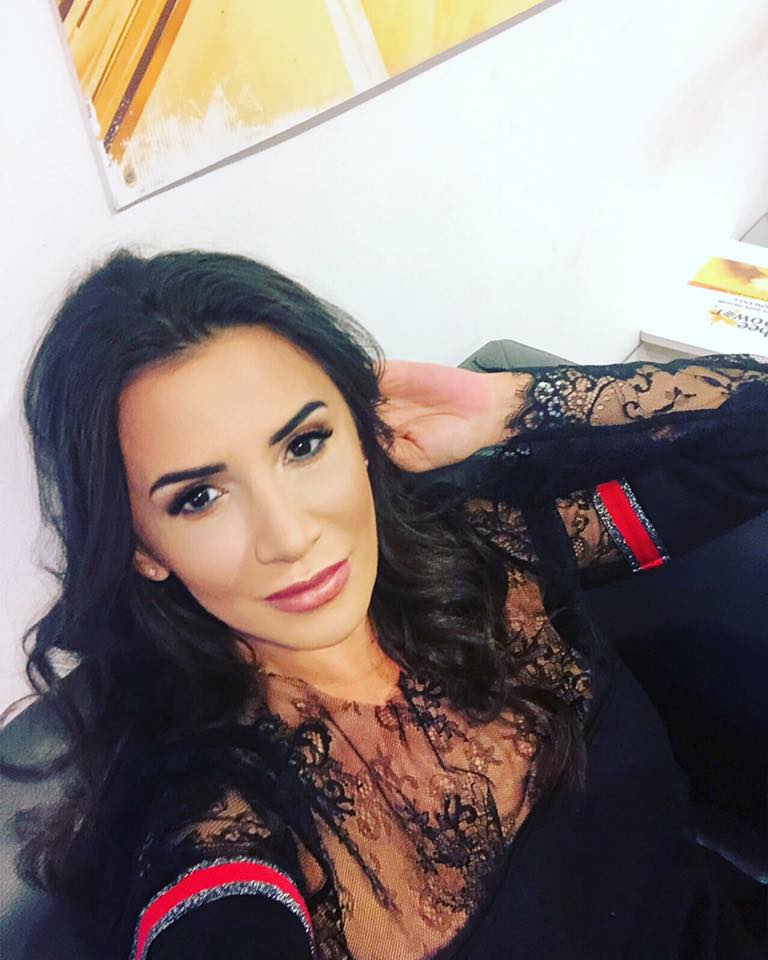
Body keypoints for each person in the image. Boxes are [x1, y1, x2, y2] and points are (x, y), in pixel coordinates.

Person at [8, 249, 768, 959]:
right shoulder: (213, 817)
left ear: (362, 434)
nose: (289, 535)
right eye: (199, 497)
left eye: (304, 445)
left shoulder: (490, 549)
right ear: (141, 548)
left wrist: (506, 403)